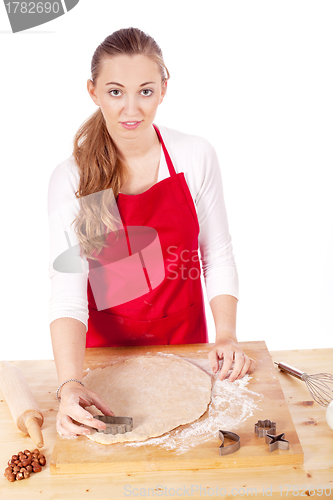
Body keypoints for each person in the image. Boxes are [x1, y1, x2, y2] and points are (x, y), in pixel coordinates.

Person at [48, 27, 255, 437]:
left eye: (144, 91)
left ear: (163, 89)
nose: (131, 108)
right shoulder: (72, 179)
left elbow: (217, 254)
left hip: (188, 347)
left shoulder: (193, 156)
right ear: (92, 92)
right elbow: (67, 293)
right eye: (114, 91)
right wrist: (70, 382)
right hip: (104, 358)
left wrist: (227, 335)